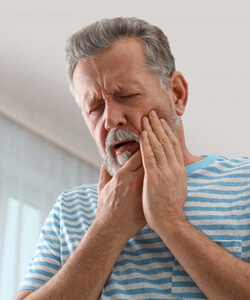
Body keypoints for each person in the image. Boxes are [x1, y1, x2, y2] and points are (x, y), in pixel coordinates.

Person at [16, 17, 250, 300]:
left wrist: (170, 221)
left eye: (126, 95)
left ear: (176, 95)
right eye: (95, 107)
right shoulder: (69, 209)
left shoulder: (245, 181)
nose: (111, 119)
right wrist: (109, 227)